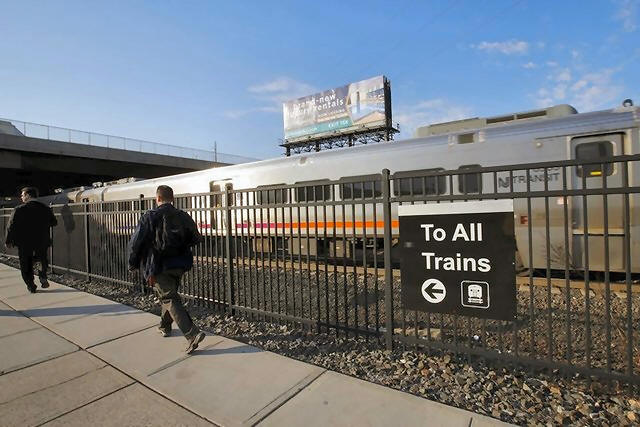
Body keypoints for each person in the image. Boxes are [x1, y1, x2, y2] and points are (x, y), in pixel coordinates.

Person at [128, 185, 206, 354]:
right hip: (180, 265)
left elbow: (136, 243)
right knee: (169, 296)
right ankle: (165, 326)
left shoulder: (150, 216)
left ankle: (192, 334)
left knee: (168, 297)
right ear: (173, 198)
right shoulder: (183, 216)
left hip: (159, 265)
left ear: (157, 198)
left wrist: (132, 263)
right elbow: (196, 238)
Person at [5, 187, 58, 293]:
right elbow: (54, 222)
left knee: (25, 264)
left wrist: (8, 240)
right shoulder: (45, 208)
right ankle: (42, 274)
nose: (21, 197)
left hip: (24, 242)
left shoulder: (19, 209)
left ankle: (31, 285)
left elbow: (11, 226)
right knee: (41, 258)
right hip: (41, 240)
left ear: (28, 195)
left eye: (22, 195)